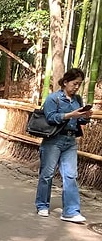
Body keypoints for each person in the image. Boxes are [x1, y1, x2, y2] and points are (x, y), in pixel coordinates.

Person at [35, 68, 92, 223]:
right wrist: (69, 115)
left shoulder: (77, 100)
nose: (76, 87)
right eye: (74, 83)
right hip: (54, 140)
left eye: (79, 84)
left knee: (71, 175)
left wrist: (85, 117)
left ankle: (71, 211)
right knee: (47, 174)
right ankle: (42, 205)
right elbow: (51, 117)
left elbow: (79, 121)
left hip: (70, 140)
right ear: (65, 82)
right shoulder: (53, 98)